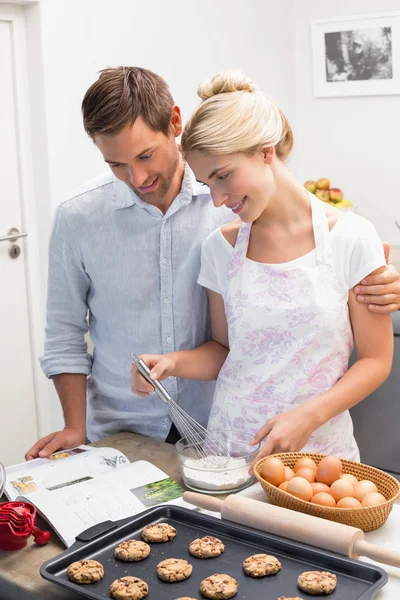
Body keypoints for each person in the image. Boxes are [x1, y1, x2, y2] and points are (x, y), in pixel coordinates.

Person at [26, 67, 400, 461]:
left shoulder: (261, 211)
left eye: (145, 155)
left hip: (269, 439)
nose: (136, 177)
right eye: (116, 165)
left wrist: (382, 271)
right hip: (157, 434)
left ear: (175, 124)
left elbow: (366, 346)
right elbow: (66, 334)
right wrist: (77, 424)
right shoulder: (212, 239)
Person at [131, 71, 394, 463]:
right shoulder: (221, 247)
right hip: (229, 455)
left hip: (318, 460)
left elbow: (376, 360)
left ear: (265, 151)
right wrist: (172, 363)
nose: (218, 199)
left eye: (223, 177)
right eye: (208, 184)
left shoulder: (352, 238)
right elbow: (225, 350)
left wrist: (309, 415)